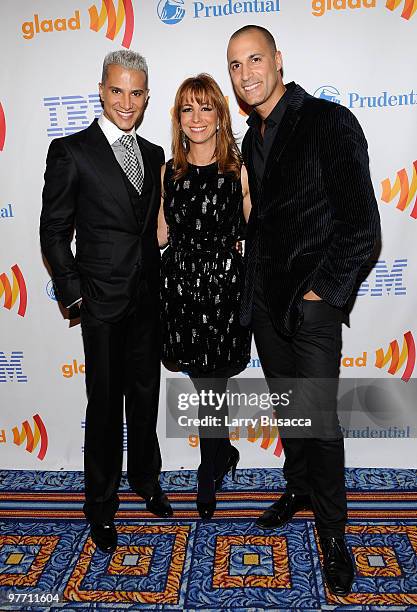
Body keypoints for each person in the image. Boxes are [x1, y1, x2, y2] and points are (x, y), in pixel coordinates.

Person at [227, 26, 380, 595]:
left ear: (278, 60)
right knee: (290, 411)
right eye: (237, 65)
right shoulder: (252, 139)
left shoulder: (328, 120)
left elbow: (363, 226)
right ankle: (297, 488)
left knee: (319, 422)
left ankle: (336, 538)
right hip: (266, 300)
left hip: (313, 299)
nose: (247, 74)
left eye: (255, 60)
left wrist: (322, 292)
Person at [40, 50, 173, 554]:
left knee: (144, 397)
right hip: (101, 302)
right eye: (117, 90)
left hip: (147, 299)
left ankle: (145, 480)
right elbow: (53, 231)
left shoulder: (155, 153)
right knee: (103, 407)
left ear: (145, 97)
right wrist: (75, 294)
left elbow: (153, 228)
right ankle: (100, 504)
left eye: (136, 93)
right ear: (100, 89)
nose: (126, 102)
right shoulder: (71, 151)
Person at [158, 74, 251, 519]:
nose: (196, 118)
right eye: (187, 109)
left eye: (205, 108)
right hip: (180, 293)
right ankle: (222, 455)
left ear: (219, 115)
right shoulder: (167, 173)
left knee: (213, 384)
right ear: (178, 118)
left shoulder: (239, 169)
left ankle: (207, 468)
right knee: (205, 383)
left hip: (225, 293)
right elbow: (159, 234)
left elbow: (260, 229)